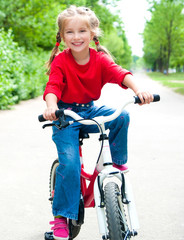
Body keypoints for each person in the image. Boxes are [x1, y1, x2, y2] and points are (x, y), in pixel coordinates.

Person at [42, 5, 153, 240]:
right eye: (69, 32)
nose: (76, 37)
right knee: (70, 165)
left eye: (82, 31)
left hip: (89, 110)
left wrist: (139, 91)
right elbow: (52, 87)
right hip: (64, 117)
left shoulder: (99, 59)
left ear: (92, 34)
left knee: (121, 115)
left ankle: (118, 164)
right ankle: (62, 217)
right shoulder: (61, 61)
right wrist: (52, 107)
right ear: (62, 37)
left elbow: (122, 74)